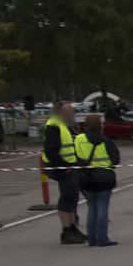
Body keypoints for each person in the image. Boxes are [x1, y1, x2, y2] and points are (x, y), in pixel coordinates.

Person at [72, 114, 121, 246]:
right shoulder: (106, 141)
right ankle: (102, 238)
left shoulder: (79, 139)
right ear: (100, 126)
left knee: (92, 208)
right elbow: (115, 160)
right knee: (102, 209)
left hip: (86, 177)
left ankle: (92, 238)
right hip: (104, 177)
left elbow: (75, 157)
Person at [39, 100, 84, 244]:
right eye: (69, 111)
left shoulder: (66, 125)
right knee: (66, 198)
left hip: (70, 166)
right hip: (62, 168)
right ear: (61, 112)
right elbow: (51, 150)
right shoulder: (54, 125)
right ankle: (66, 230)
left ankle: (73, 227)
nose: (72, 113)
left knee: (72, 197)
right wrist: (63, 166)